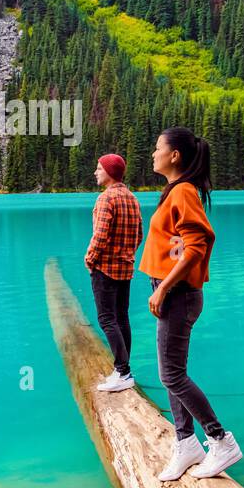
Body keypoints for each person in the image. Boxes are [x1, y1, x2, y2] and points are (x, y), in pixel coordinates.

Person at [138, 127, 243, 481]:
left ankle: (221, 440)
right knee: (170, 374)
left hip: (178, 294)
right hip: (172, 293)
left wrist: (163, 287)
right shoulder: (177, 192)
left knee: (172, 374)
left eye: (157, 148)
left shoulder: (183, 192)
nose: (153, 154)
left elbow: (197, 246)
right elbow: (178, 245)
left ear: (175, 155)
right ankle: (186, 443)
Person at [85, 153, 143, 392]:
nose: (96, 172)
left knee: (106, 319)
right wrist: (126, 254)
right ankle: (124, 370)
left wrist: (90, 259)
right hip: (125, 268)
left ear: (109, 172)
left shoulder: (105, 199)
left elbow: (100, 235)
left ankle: (123, 372)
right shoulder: (132, 198)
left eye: (99, 168)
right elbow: (139, 235)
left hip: (105, 268)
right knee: (121, 318)